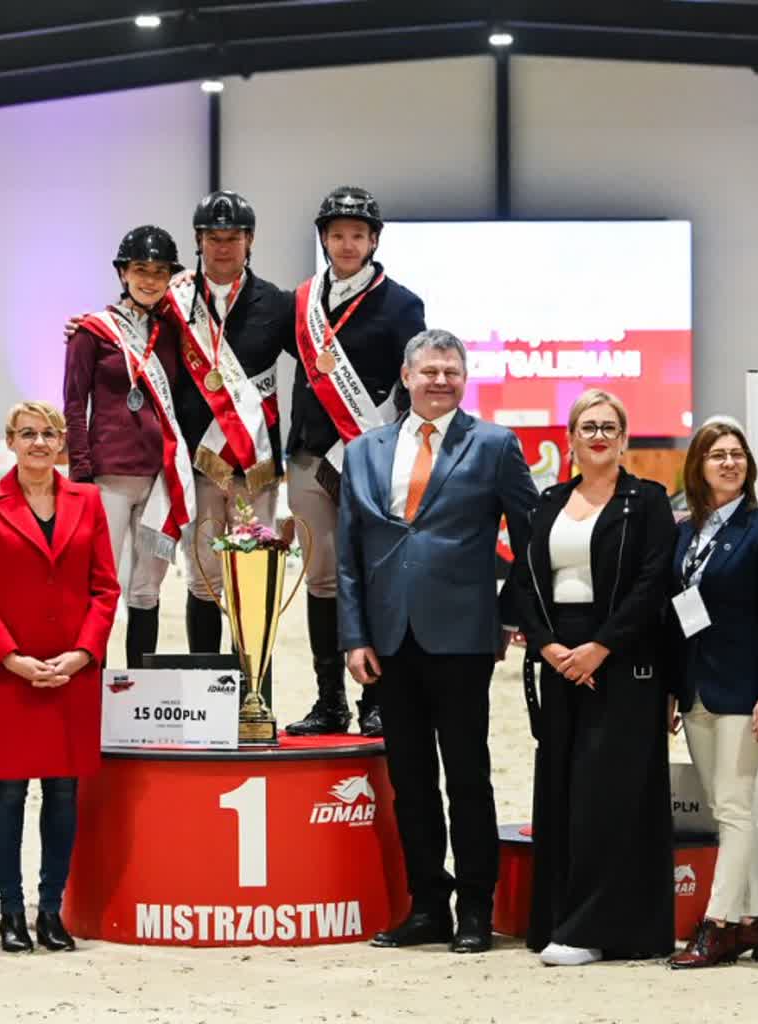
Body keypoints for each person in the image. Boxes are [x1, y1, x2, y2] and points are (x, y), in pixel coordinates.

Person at [336, 329, 537, 953]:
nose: (440, 381)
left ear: (465, 378)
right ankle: (427, 906)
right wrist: (354, 635)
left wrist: (506, 617)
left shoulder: (495, 445)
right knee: (410, 781)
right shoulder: (363, 451)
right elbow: (349, 553)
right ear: (406, 376)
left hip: (463, 639)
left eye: (451, 371)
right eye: (429, 371)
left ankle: (475, 907)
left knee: (468, 777)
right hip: (388, 641)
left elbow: (531, 538)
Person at [508, 389, 678, 966]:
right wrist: (548, 645)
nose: (599, 436)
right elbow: (525, 581)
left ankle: (597, 929)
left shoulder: (647, 501)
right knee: (561, 790)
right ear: (571, 439)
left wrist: (601, 647)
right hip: (560, 659)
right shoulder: (549, 502)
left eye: (609, 427)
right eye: (588, 427)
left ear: (624, 439)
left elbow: (653, 584)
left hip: (623, 660)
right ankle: (559, 920)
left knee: (609, 796)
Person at [0, 401, 120, 954]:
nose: (39, 443)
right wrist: (9, 657)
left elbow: (105, 589)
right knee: (8, 792)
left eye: (50, 433)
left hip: (72, 673)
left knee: (63, 791)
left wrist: (83, 654)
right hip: (12, 674)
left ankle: (51, 911)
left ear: (63, 443)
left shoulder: (88, 500)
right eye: (28, 433)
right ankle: (10, 912)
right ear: (10, 441)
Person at [284, 185, 427, 739]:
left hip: (369, 460)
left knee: (372, 577)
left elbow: (411, 382)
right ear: (324, 239)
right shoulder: (302, 302)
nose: (347, 244)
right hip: (309, 457)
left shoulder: (402, 304)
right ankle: (329, 700)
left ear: (373, 241)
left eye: (358, 235)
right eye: (338, 235)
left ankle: (377, 699)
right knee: (322, 579)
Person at [665, 417, 758, 968]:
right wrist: (673, 690)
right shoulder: (684, 533)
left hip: (745, 691)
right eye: (717, 454)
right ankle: (752, 922)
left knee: (736, 805)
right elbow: (677, 617)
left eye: (737, 454)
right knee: (724, 808)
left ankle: (716, 926)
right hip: (696, 690)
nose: (728, 462)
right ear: (698, 466)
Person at [164, 190, 290, 653]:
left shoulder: (276, 303)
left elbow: (316, 365)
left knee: (252, 572)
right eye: (212, 238)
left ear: (249, 241)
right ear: (198, 240)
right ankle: (205, 679)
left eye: (232, 238)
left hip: (255, 467)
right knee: (202, 577)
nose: (222, 247)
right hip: (198, 464)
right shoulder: (174, 301)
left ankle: (250, 682)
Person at [64, 225, 189, 668]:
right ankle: (91, 680)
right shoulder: (91, 332)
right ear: (123, 273)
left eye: (160, 272)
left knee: (147, 586)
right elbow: (74, 405)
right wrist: (81, 475)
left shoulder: (172, 332)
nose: (150, 280)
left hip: (159, 477)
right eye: (141, 270)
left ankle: (141, 684)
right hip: (108, 477)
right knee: (100, 585)